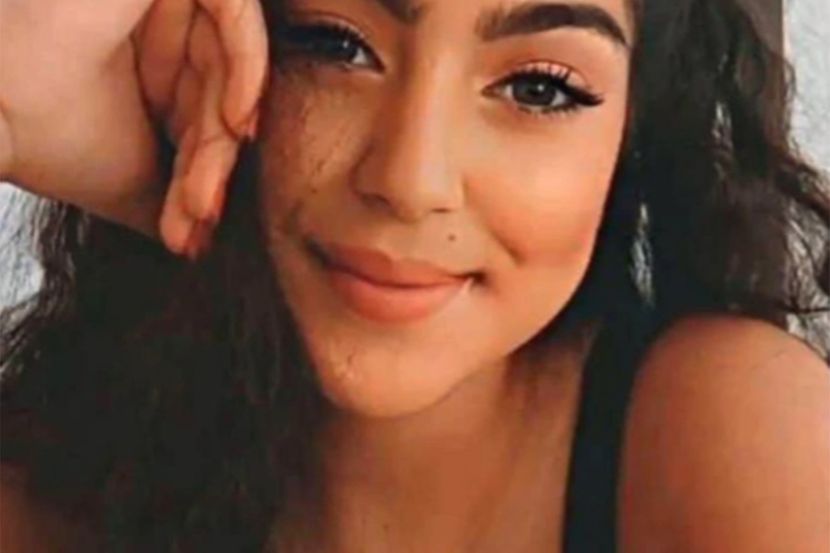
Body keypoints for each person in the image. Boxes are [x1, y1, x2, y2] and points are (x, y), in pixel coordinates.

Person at [1, 0, 828, 551]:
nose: (410, 178)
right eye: (335, 45)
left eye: (539, 88)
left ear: (632, 140)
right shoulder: (51, 491)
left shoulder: (731, 426)